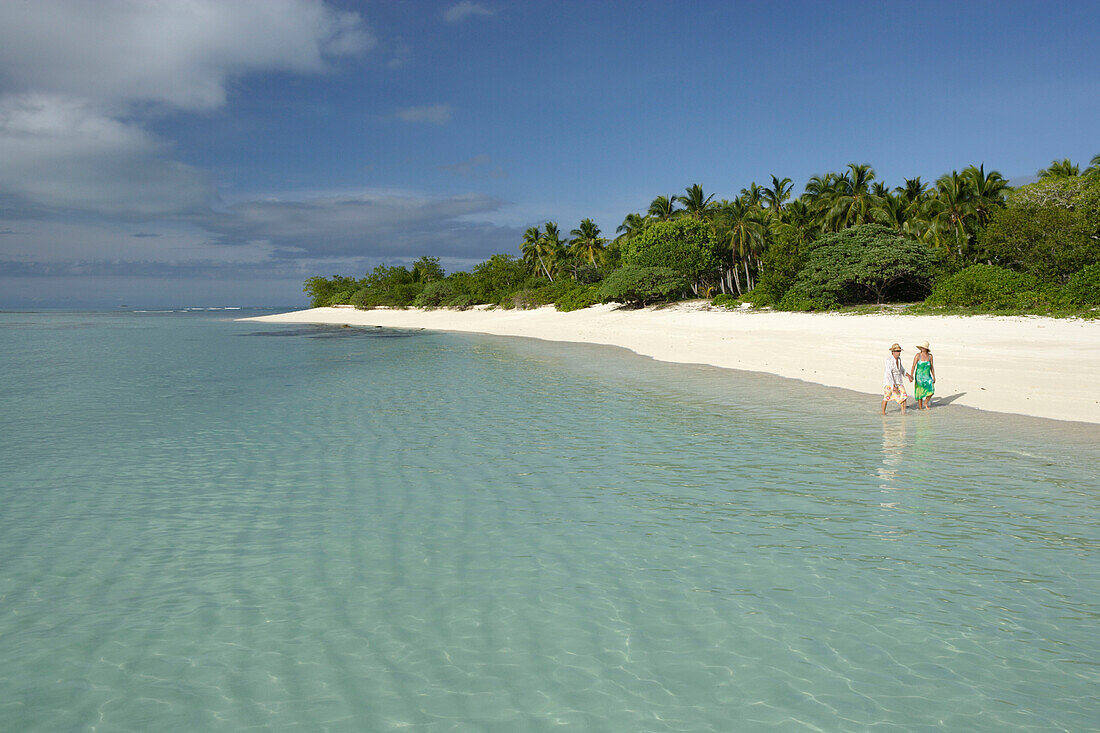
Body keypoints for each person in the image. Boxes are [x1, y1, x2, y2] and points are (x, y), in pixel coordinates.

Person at [882, 343, 908, 414]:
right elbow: (889, 373)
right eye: (897, 351)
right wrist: (893, 386)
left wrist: (908, 375)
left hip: (898, 382)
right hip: (889, 383)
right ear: (892, 352)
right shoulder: (889, 360)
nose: (899, 353)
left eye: (899, 351)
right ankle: (883, 413)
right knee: (886, 397)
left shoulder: (899, 359)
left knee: (904, 395)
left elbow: (901, 369)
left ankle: (903, 412)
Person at [911, 340, 935, 410]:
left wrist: (934, 376)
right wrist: (911, 375)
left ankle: (925, 403)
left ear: (926, 349)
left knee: (931, 391)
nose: (922, 349)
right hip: (919, 376)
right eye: (921, 347)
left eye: (923, 347)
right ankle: (920, 408)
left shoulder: (930, 356)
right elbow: (913, 366)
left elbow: (932, 367)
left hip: (927, 376)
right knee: (920, 391)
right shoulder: (918, 355)